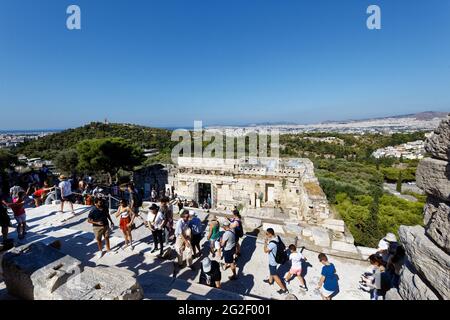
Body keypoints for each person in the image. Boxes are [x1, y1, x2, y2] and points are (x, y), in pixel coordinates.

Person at [263, 228, 288, 295]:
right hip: (276, 259)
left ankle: (284, 289)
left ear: (270, 234)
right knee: (272, 270)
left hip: (273, 261)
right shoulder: (277, 237)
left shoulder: (272, 244)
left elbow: (265, 251)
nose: (266, 235)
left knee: (274, 275)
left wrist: (265, 243)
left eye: (267, 234)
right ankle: (270, 281)